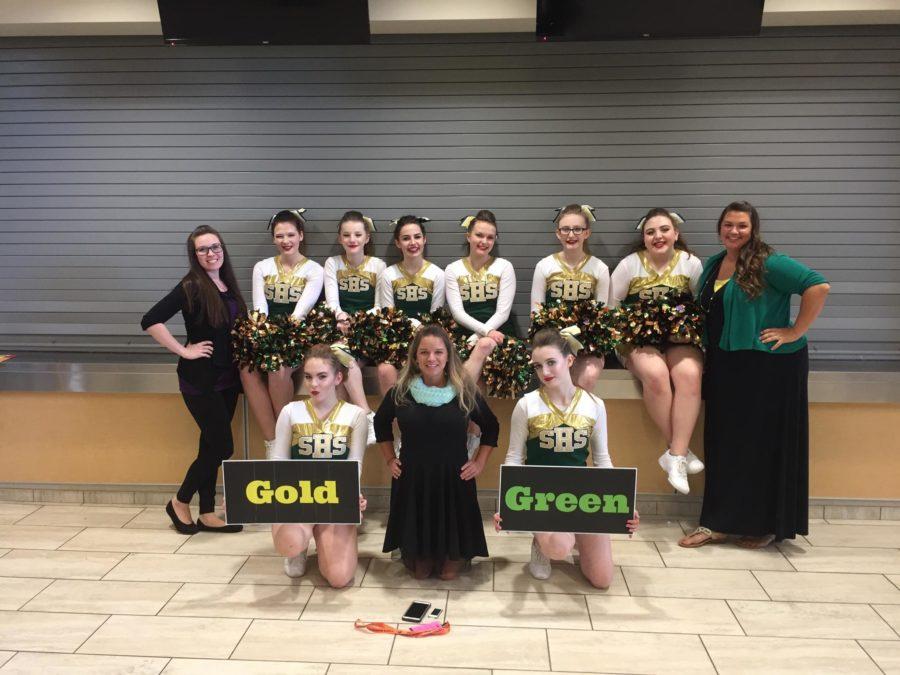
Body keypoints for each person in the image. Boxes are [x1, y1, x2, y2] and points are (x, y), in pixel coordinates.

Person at [679, 201, 830, 549]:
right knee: (724, 442)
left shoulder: (768, 261)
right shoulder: (717, 263)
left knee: (761, 445)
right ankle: (716, 523)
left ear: (753, 229)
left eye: (742, 226)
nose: (734, 231)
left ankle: (764, 524)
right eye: (728, 225)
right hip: (727, 363)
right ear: (720, 227)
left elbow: (817, 286)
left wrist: (794, 330)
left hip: (768, 366)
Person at [494, 328, 639, 588]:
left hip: (582, 495)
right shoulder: (526, 405)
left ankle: (570, 536)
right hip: (540, 496)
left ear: (569, 361)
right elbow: (514, 458)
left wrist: (624, 503)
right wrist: (506, 506)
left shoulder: (594, 405)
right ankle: (543, 541)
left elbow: (603, 460)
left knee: (602, 580)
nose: (545, 372)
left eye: (551, 363)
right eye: (538, 366)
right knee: (560, 547)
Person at [141, 225, 246, 535]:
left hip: (227, 379)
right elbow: (150, 320)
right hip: (200, 381)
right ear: (195, 255)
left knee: (209, 445)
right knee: (223, 447)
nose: (210, 253)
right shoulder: (191, 285)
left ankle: (207, 512)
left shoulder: (227, 283)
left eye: (214, 247)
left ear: (222, 249)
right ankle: (179, 501)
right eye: (203, 249)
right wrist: (183, 351)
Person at [373, 324, 499, 580]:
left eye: (439, 352)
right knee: (420, 573)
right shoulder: (401, 391)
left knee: (447, 575)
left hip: (453, 481)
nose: (432, 359)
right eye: (424, 352)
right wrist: (389, 458)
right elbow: (380, 422)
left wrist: (479, 462)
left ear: (449, 355)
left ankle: (451, 554)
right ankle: (421, 552)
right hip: (413, 481)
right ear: (415, 357)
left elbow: (491, 426)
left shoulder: (464, 391)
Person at [609, 208, 705, 494]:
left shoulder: (691, 264)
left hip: (679, 338)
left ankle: (674, 456)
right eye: (650, 232)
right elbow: (611, 309)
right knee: (656, 374)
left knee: (689, 374)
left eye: (664, 230)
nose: (657, 236)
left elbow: (701, 307)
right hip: (637, 339)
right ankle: (680, 452)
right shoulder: (629, 265)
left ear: (676, 233)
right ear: (644, 238)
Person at [267, 344, 368, 586]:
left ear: (338, 378)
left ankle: (323, 536)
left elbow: (355, 465)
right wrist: (248, 497)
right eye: (309, 377)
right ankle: (298, 547)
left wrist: (353, 494)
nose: (314, 384)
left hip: (333, 499)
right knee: (290, 544)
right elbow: (278, 461)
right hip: (297, 496)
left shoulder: (355, 415)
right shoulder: (290, 411)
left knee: (339, 578)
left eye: (322, 377)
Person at [241, 209, 325, 457]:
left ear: (300, 235)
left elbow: (301, 312)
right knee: (246, 368)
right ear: (273, 239)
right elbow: (260, 308)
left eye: (290, 235)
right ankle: (272, 442)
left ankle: (286, 436)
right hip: (267, 330)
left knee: (277, 368)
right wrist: (262, 333)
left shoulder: (314, 269)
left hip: (297, 333)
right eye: (280, 236)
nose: (285, 241)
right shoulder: (262, 267)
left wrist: (280, 337)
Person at [530, 204, 609, 394]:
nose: (571, 234)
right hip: (552, 339)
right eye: (565, 229)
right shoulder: (545, 266)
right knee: (554, 374)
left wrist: (580, 337)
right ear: (558, 233)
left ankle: (578, 422)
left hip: (587, 343)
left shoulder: (599, 268)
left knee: (587, 376)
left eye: (577, 229)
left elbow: (603, 314)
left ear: (587, 233)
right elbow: (536, 311)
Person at [323, 210, 386, 443]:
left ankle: (356, 426)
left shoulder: (378, 265)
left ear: (367, 238)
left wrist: (358, 321)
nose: (352, 239)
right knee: (338, 358)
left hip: (370, 330)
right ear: (340, 238)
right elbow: (332, 300)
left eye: (358, 234)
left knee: (339, 366)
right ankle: (364, 417)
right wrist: (341, 317)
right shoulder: (333, 263)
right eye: (347, 235)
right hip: (341, 328)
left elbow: (380, 305)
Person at [375, 215, 445, 394]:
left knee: (429, 364)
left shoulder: (437, 274)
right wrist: (412, 326)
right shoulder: (389, 274)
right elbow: (389, 315)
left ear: (424, 239)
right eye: (406, 238)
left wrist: (423, 331)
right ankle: (391, 419)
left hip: (427, 336)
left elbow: (435, 315)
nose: (412, 242)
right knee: (384, 370)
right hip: (397, 336)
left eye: (417, 237)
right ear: (398, 243)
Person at [444, 210, 518, 377]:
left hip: (499, 330)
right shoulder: (453, 269)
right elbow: (457, 313)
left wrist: (482, 334)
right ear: (468, 236)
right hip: (464, 331)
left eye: (490, 237)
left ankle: (468, 399)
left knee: (484, 345)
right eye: (479, 235)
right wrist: (483, 333)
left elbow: (503, 313)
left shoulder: (504, 267)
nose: (484, 241)